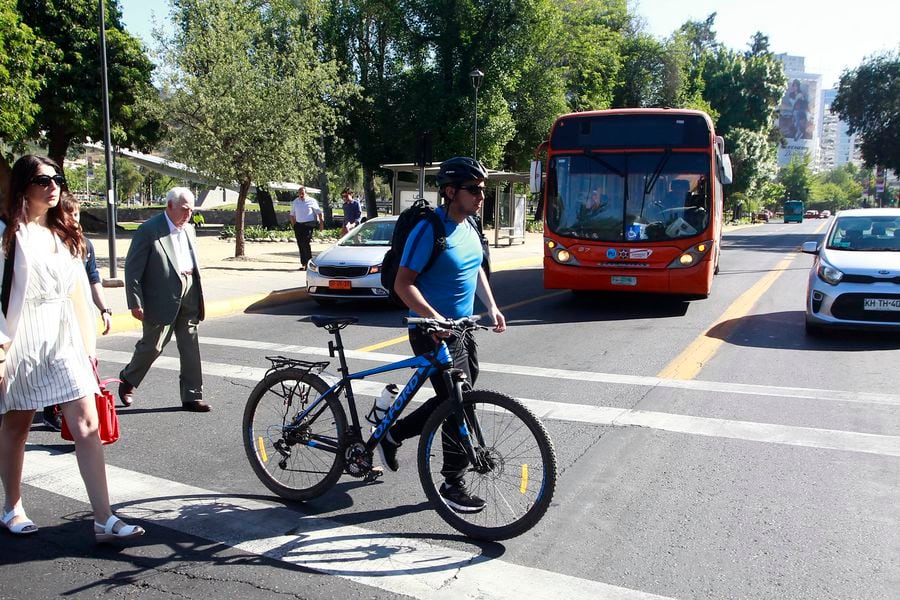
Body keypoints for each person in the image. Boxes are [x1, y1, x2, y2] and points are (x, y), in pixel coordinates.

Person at [0, 154, 144, 542]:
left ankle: (103, 518)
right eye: (43, 181)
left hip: (63, 339)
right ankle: (12, 505)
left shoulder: (65, 233)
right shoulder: (8, 236)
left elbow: (79, 295)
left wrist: (87, 346)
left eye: (57, 179)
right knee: (18, 425)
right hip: (22, 339)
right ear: (23, 188)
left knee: (87, 423)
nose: (53, 187)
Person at [377, 156, 506, 514]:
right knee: (457, 403)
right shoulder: (429, 229)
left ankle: (392, 431)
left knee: (461, 400)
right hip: (430, 330)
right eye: (475, 189)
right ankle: (453, 482)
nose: (482, 195)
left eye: (483, 189)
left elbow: (476, 267)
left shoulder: (470, 226)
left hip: (462, 328)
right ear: (451, 192)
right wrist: (434, 319)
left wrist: (491, 306)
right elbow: (404, 284)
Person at [118, 187, 209, 412]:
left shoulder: (189, 229)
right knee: (153, 345)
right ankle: (128, 379)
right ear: (169, 206)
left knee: (190, 344)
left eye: (192, 209)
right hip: (160, 296)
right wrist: (135, 301)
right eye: (185, 209)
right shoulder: (149, 230)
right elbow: (133, 269)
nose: (189, 214)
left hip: (189, 290)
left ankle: (192, 395)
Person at [41, 193, 113, 432]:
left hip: (81, 316)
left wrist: (105, 309)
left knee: (83, 363)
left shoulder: (85, 244)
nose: (74, 218)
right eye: (69, 213)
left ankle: (74, 413)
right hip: (55, 317)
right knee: (57, 363)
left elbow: (94, 279)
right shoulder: (49, 242)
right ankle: (52, 409)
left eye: (77, 213)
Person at [289, 186, 323, 270]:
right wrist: (294, 225)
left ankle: (309, 263)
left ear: (306, 193)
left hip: (308, 224)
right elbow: (292, 214)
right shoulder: (295, 202)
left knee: (305, 243)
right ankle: (303, 264)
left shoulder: (312, 201)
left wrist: (321, 223)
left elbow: (319, 212)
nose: (301, 195)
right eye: (299, 193)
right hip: (298, 225)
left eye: (302, 193)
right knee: (300, 244)